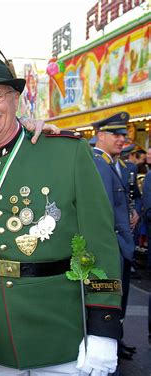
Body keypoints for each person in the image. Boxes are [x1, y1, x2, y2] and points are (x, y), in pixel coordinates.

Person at [0, 41, 123, 375]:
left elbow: (101, 244)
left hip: (63, 337)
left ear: (15, 99)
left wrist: (104, 328)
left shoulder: (68, 153)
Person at [92, 111, 139, 360]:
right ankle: (111, 346)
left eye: (124, 134)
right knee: (111, 299)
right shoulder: (100, 164)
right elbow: (104, 211)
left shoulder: (112, 163)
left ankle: (116, 342)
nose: (123, 139)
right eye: (116, 134)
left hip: (121, 243)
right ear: (100, 136)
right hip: (114, 244)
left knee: (120, 300)